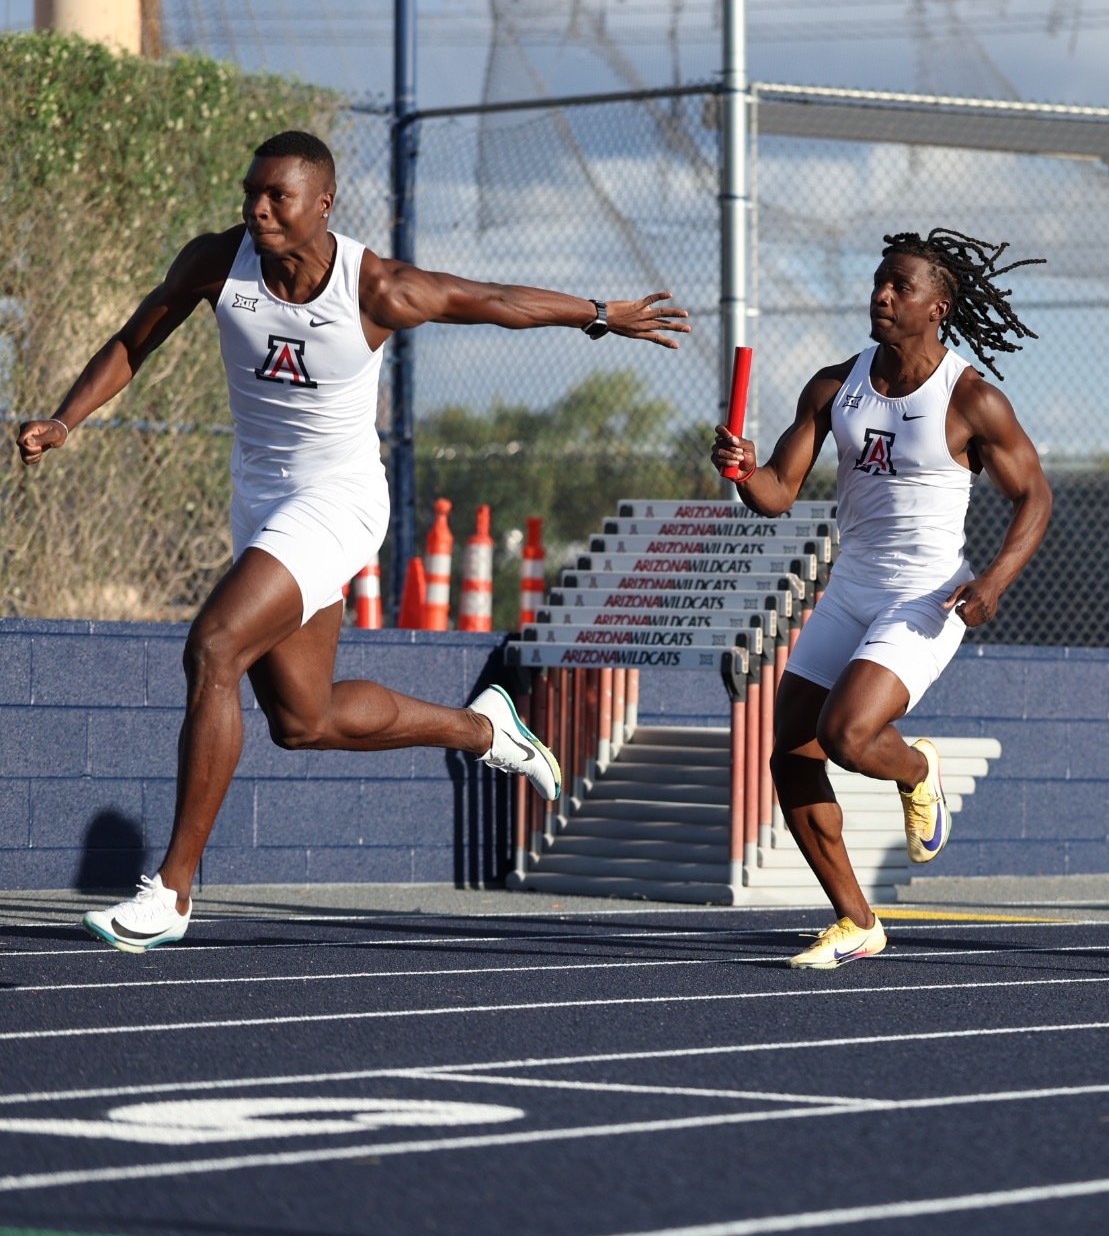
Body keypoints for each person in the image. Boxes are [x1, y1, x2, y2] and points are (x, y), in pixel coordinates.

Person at [15, 131, 692, 954]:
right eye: (251, 192)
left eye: (278, 196)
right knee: (302, 721)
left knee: (216, 647)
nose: (258, 209)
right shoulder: (216, 261)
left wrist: (600, 314)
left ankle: (173, 891)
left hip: (338, 501)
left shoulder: (375, 288)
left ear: (324, 204)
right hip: (260, 501)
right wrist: (65, 419)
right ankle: (484, 731)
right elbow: (134, 340)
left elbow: (492, 300)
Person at [710, 228, 1052, 970]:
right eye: (879, 282)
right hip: (851, 589)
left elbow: (1035, 496)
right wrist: (741, 470)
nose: (882, 295)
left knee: (848, 734)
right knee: (790, 754)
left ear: (938, 307)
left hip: (926, 597)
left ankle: (918, 771)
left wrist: (994, 581)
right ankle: (857, 920)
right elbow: (777, 493)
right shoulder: (835, 386)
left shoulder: (971, 400)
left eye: (901, 286)